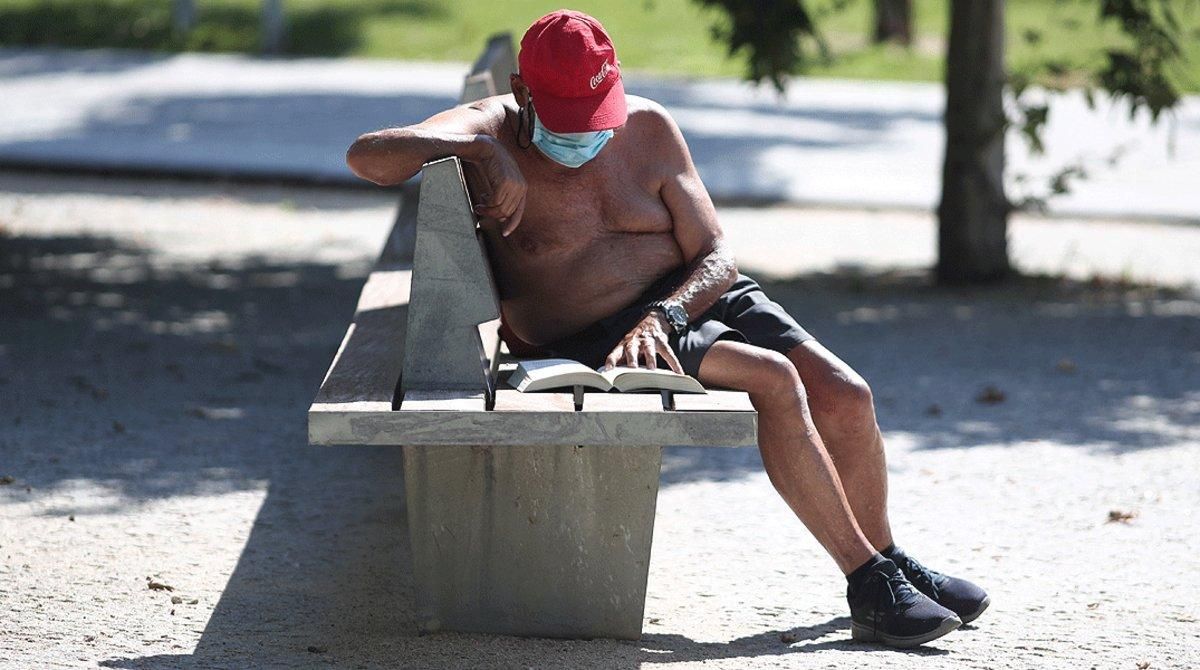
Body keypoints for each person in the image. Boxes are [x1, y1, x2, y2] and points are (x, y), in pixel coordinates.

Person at [346, 9, 988, 649]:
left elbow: (716, 254)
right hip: (594, 333)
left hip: (687, 303)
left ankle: (890, 558)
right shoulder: (489, 128)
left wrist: (670, 311)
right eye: (568, 123)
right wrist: (475, 148)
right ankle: (869, 585)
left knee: (848, 394)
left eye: (598, 116)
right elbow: (365, 155)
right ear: (520, 92)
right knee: (774, 378)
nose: (587, 138)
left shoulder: (648, 127)